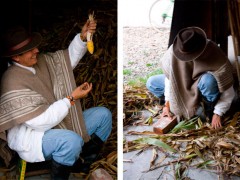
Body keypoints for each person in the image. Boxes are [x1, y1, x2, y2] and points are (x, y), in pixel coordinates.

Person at [0, 20, 112, 179]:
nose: (37, 51)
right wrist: (71, 98)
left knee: (103, 115)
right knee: (70, 141)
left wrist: (82, 36)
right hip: (34, 138)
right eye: (31, 50)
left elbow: (67, 62)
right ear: (17, 57)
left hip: (58, 123)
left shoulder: (40, 62)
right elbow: (40, 122)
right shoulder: (12, 81)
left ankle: (81, 165)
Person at [146, 26, 235, 129]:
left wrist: (218, 113)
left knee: (209, 82)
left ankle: (207, 107)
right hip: (182, 83)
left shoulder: (213, 51)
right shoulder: (174, 51)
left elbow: (228, 91)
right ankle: (187, 102)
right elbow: (170, 80)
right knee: (151, 82)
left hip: (202, 85)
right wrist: (167, 104)